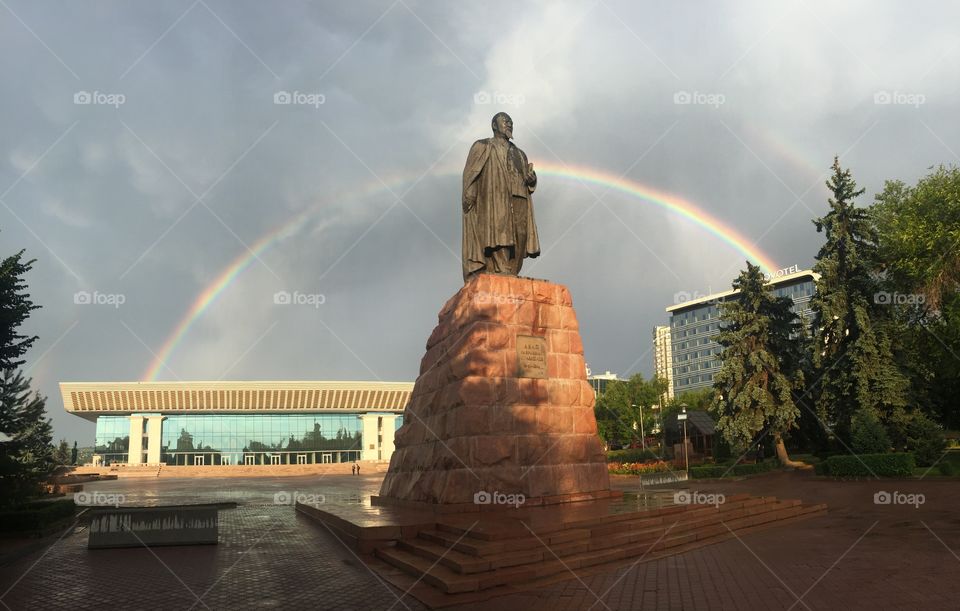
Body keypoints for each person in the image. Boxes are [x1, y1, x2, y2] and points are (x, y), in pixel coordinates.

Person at [461, 112, 540, 281]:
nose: (509, 124)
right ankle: (500, 269)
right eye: (505, 121)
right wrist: (469, 191)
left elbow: (527, 177)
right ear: (494, 125)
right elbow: (471, 172)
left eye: (511, 121)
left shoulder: (519, 153)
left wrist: (532, 179)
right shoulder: (483, 145)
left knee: (521, 235)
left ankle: (512, 271)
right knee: (500, 232)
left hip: (519, 197)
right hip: (495, 198)